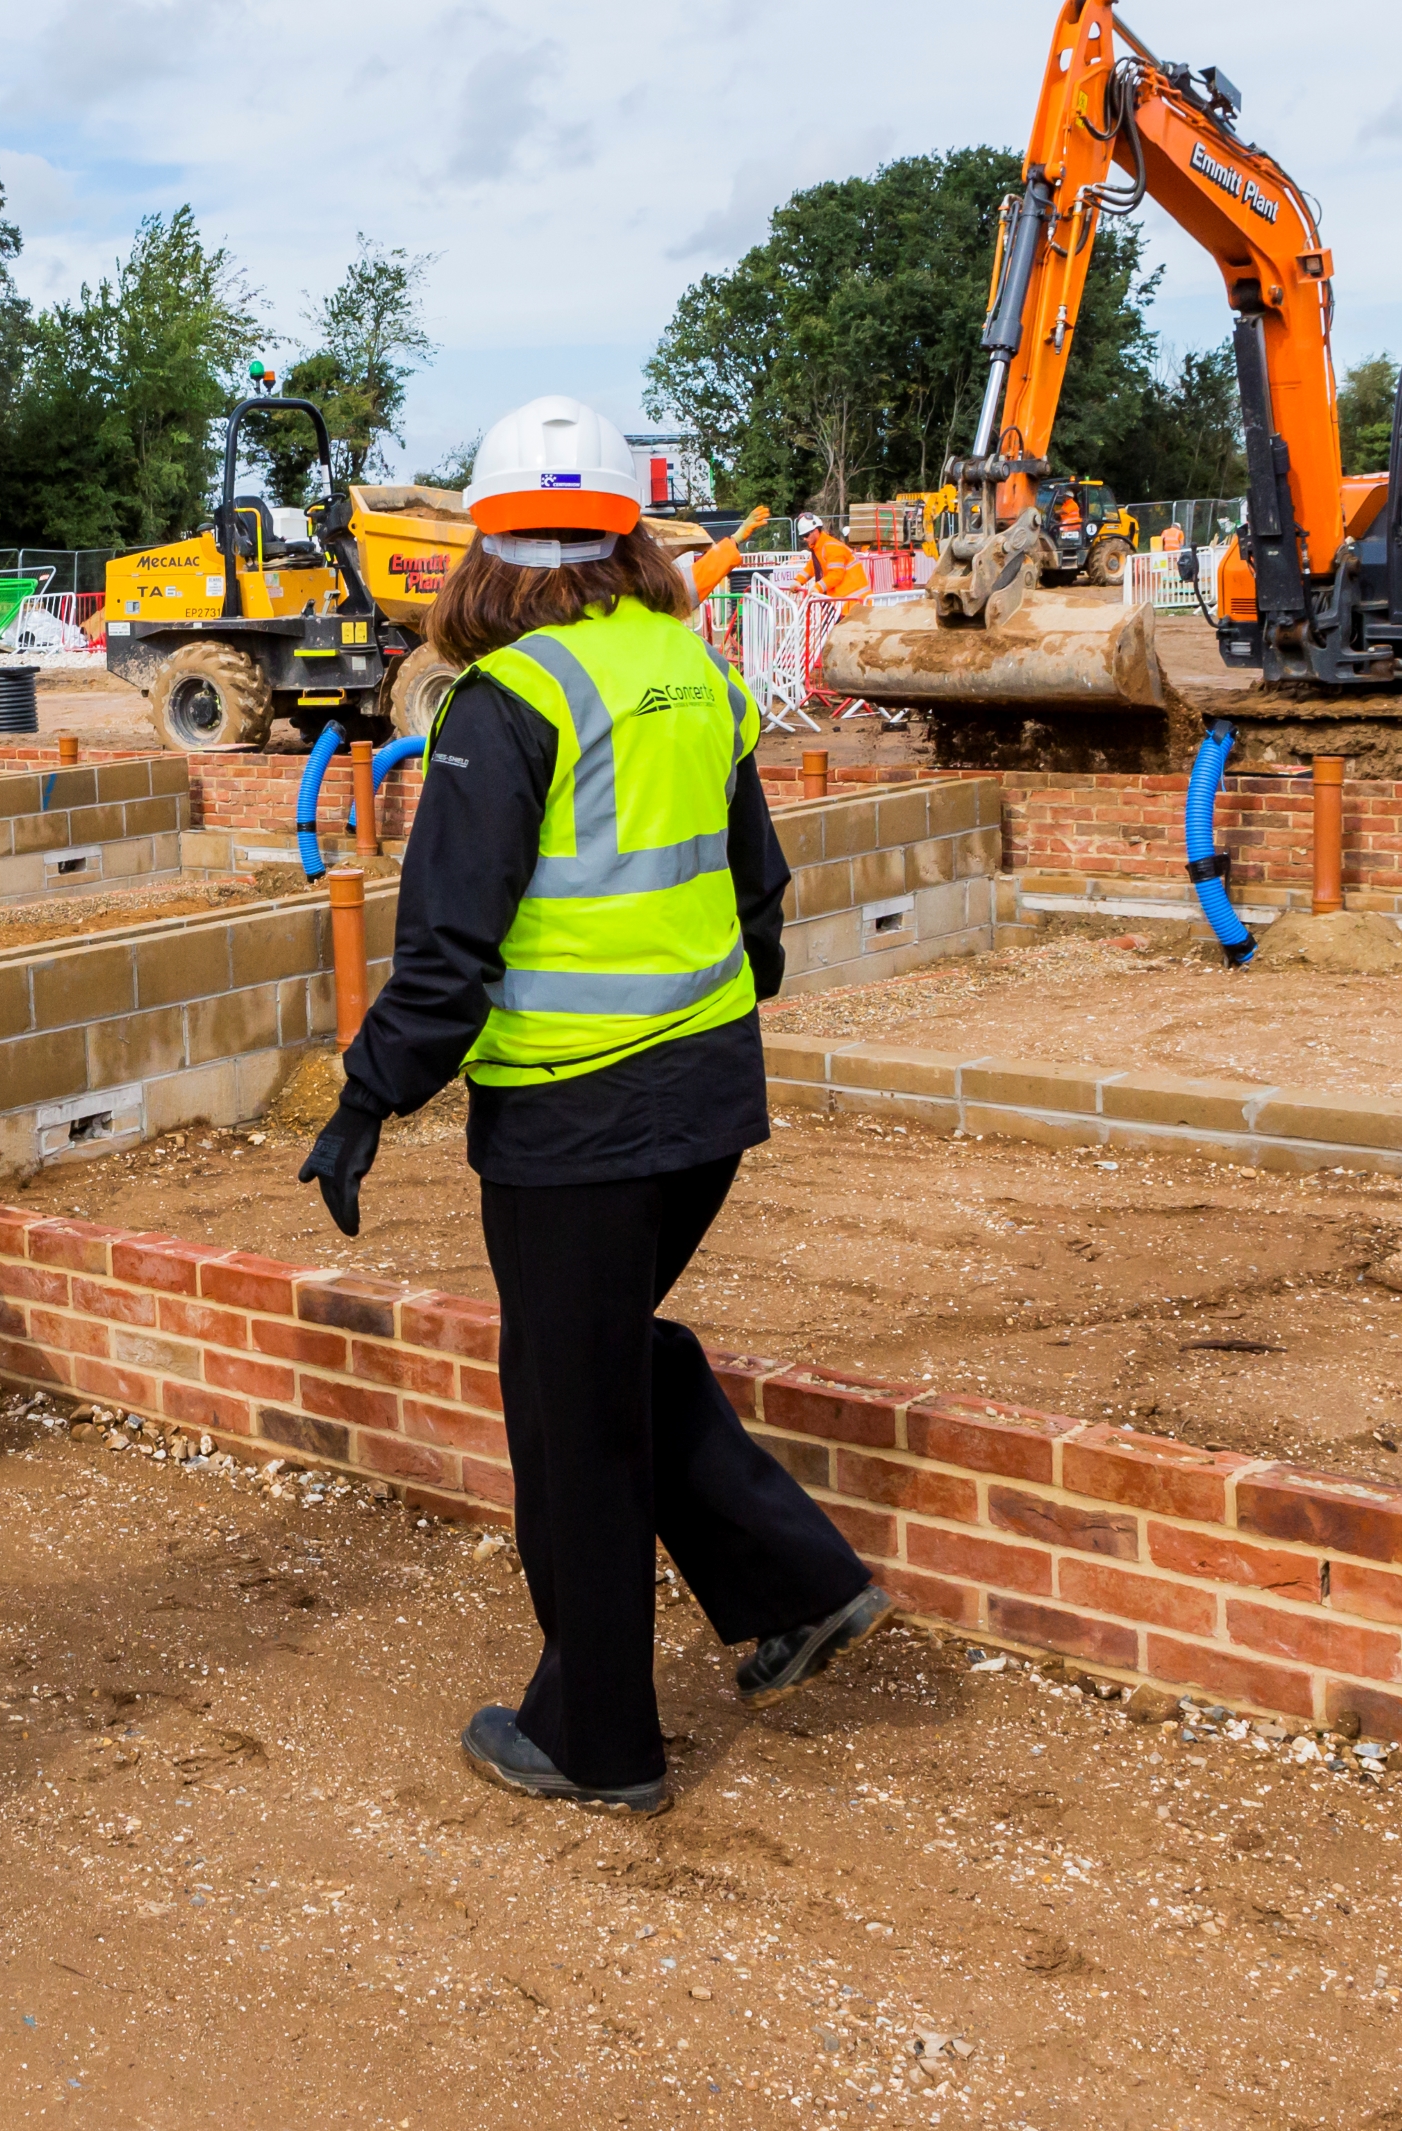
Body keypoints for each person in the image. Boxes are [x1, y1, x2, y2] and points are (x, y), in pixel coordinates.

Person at [303, 395, 889, 1816]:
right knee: (600, 1356)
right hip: (702, 1098)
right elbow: (758, 890)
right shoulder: (689, 672)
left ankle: (597, 1734)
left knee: (570, 1413)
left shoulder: (510, 701)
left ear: (483, 551)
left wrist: (368, 1092)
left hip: (574, 1122)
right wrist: (720, 1000)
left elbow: (450, 948)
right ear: (630, 533)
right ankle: (797, 1582)